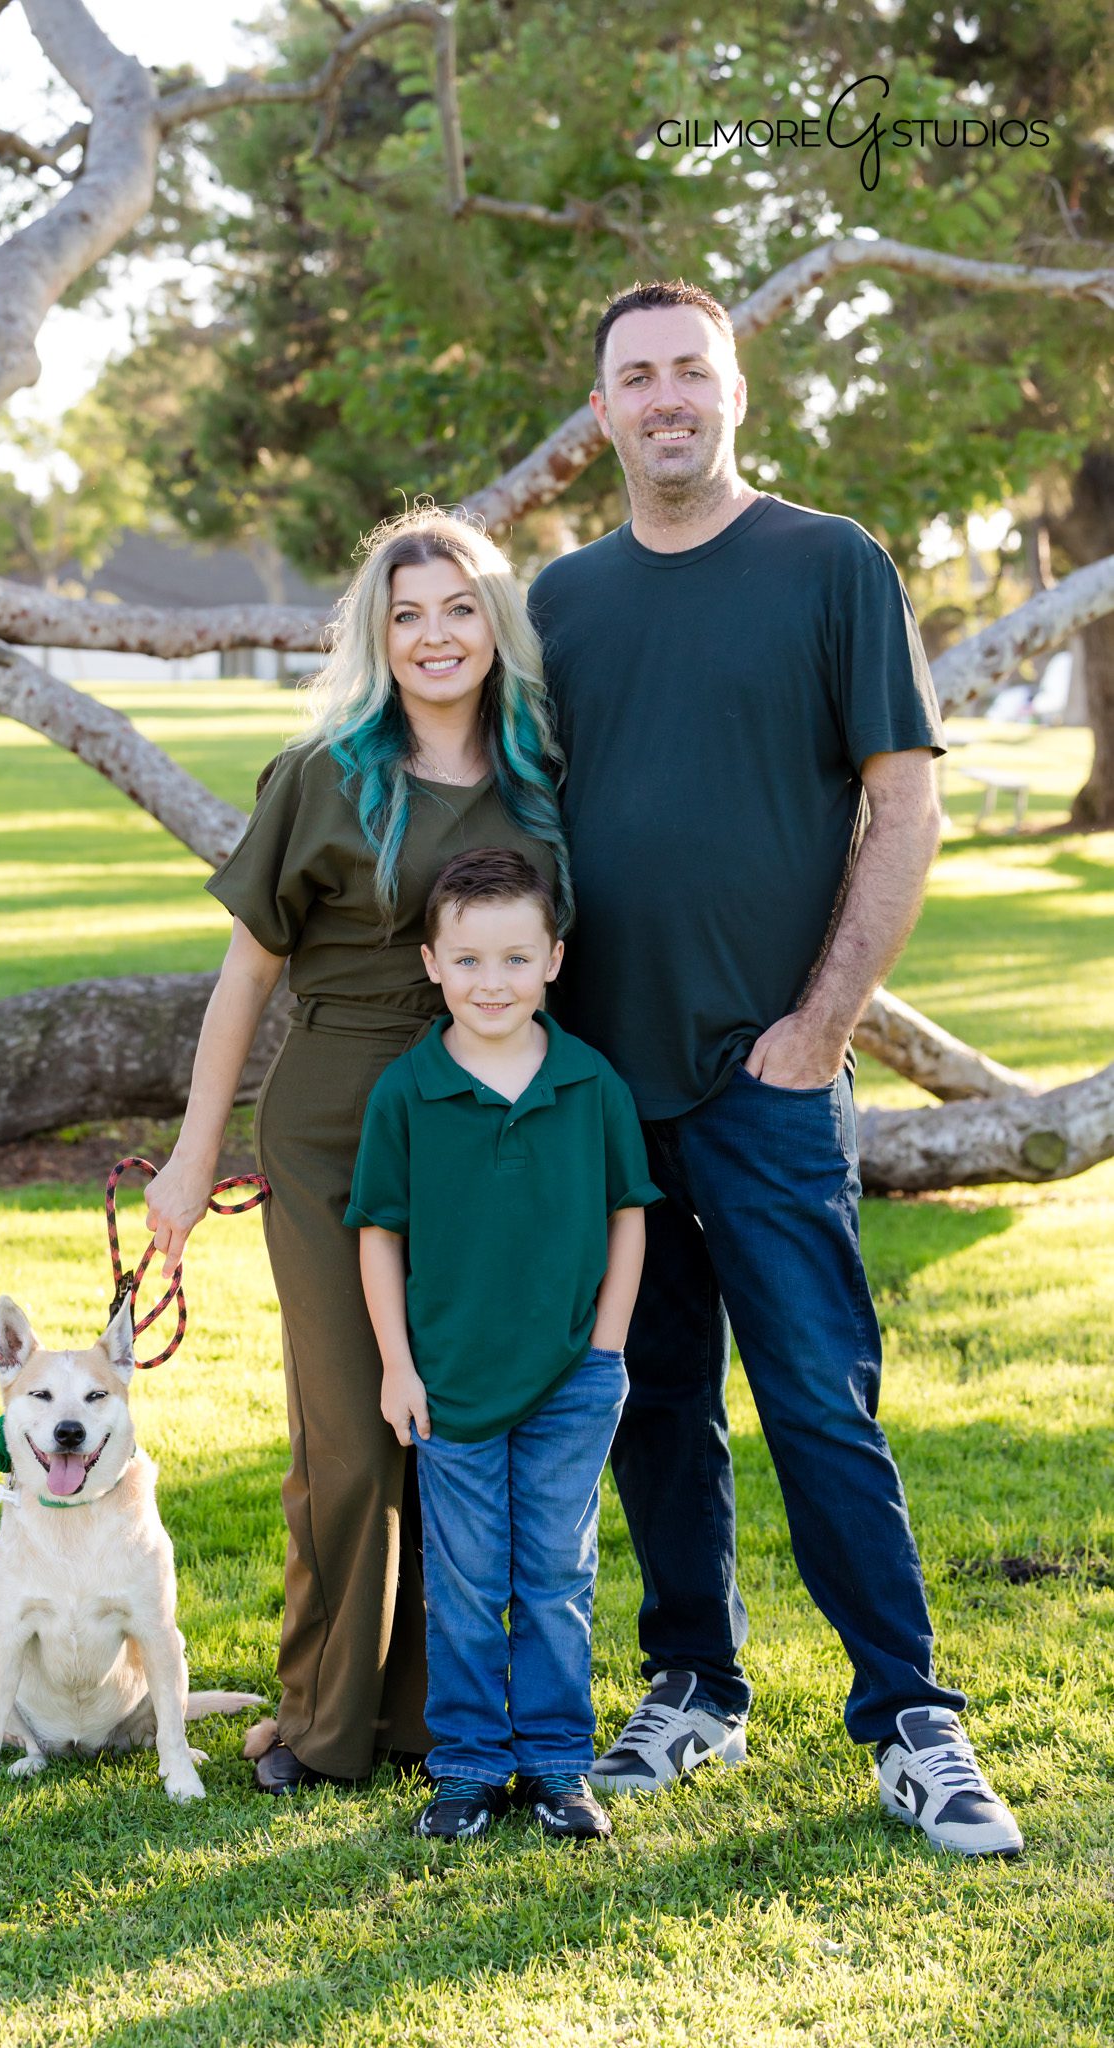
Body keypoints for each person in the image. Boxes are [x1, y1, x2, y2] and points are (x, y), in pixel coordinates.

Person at [526, 279, 1024, 1857]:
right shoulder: (561, 602)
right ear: (601, 414)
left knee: (817, 1396)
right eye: (637, 377)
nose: (667, 396)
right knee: (652, 1396)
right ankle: (694, 1686)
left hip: (771, 1078)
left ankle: (913, 1718)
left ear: (734, 392)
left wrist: (820, 1031)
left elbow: (904, 807)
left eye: (692, 369)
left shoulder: (829, 564)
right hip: (603, 1085)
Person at [145, 505, 572, 1793]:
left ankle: (433, 1713)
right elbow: (244, 979)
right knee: (348, 1428)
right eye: (406, 614)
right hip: (335, 1117)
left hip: (489, 1124)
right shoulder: (321, 775)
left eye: (459, 609)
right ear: (376, 638)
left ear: (495, 626)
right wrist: (190, 1155)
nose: (435, 635)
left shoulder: (543, 776)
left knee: (461, 1417)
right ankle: (322, 1718)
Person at [345, 848, 659, 1842]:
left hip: (572, 1378)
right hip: (451, 1383)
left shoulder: (590, 1082)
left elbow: (627, 1214)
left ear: (554, 960)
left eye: (517, 958)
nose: (493, 982)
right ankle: (471, 1767)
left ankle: (560, 1765)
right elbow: (379, 1231)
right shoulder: (408, 1091)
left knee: (557, 1578)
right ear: (432, 963)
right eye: (470, 960)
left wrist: (605, 1350)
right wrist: (397, 1365)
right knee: (469, 1583)